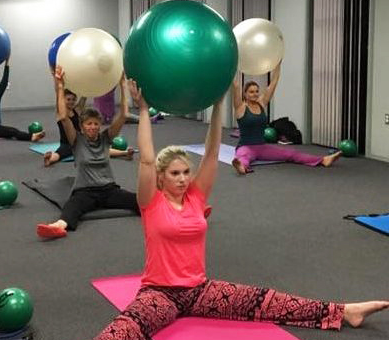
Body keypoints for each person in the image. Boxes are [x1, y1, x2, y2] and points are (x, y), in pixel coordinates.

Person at [92, 80, 389, 340]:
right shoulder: (151, 202)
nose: (183, 178)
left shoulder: (195, 196)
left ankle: (345, 312)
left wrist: (219, 105)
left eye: (185, 172)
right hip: (159, 293)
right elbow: (146, 159)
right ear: (160, 178)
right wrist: (143, 110)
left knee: (268, 302)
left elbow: (210, 154)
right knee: (121, 332)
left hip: (200, 291)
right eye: (174, 174)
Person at [36, 67, 140, 238]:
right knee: (71, 208)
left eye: (95, 124)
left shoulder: (106, 138)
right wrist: (60, 87)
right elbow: (63, 117)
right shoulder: (76, 140)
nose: (93, 127)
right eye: (89, 124)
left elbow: (124, 114)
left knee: (139, 200)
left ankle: (174, 212)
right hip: (85, 191)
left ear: (99, 125)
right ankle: (57, 227)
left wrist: (122, 84)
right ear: (82, 126)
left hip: (109, 190)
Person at [232, 62, 341, 175]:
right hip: (246, 147)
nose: (255, 94)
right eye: (251, 92)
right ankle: (241, 167)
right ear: (245, 94)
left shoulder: (261, 103)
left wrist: (278, 61)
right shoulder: (240, 108)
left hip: (262, 147)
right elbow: (235, 85)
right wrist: (232, 64)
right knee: (243, 157)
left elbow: (274, 81)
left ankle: (323, 160)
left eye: (256, 91)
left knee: (291, 154)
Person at [43, 88, 134, 167]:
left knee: (100, 148)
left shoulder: (76, 110)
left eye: (73, 99)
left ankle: (125, 153)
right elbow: (60, 101)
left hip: (80, 140)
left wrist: (87, 87)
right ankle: (49, 159)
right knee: (60, 153)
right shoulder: (61, 113)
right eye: (68, 99)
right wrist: (60, 87)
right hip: (67, 143)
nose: (71, 101)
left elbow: (83, 98)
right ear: (63, 100)